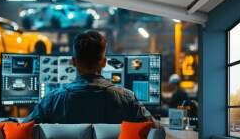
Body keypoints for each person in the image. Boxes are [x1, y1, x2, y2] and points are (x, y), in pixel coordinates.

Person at [24, 30, 152, 124]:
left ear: (73, 62)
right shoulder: (127, 98)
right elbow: (152, 127)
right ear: (104, 62)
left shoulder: (52, 100)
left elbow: (23, 128)